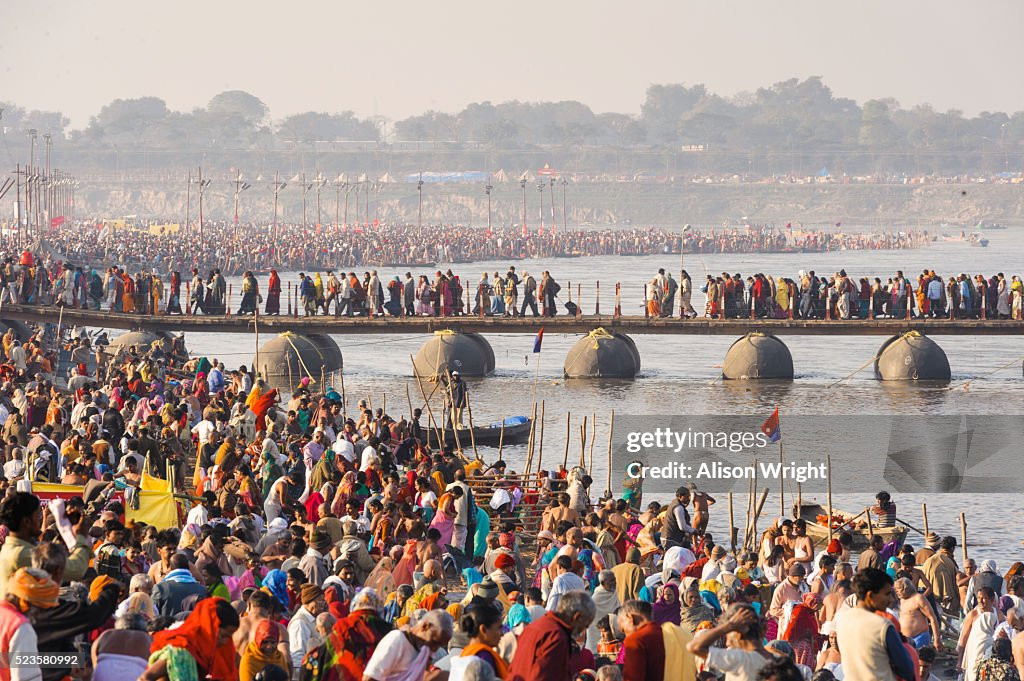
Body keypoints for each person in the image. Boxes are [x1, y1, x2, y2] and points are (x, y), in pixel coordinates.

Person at [833, 568, 915, 681]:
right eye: (887, 594)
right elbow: (907, 669)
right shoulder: (882, 625)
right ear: (870, 596)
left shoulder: (842, 620)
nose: (891, 599)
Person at [142, 598, 240, 681]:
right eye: (223, 636)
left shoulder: (204, 653)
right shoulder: (181, 649)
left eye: (229, 637)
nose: (225, 642)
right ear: (209, 627)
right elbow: (145, 677)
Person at [508, 590, 596, 681]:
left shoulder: (538, 625)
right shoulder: (556, 636)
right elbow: (543, 677)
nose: (583, 630)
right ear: (577, 617)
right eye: (585, 625)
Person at [687, 603, 772, 681]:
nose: (727, 643)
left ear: (738, 633)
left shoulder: (739, 659)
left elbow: (694, 647)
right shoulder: (776, 659)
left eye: (728, 635)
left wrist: (729, 625)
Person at [362, 609, 453, 681]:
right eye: (434, 642)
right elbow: (369, 678)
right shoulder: (397, 639)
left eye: (439, 645)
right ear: (425, 626)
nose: (435, 649)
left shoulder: (425, 649)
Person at [618, 598, 696, 681]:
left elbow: (633, 678)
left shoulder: (636, 640)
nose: (626, 636)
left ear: (630, 618)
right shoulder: (681, 635)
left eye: (623, 630)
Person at [0, 492, 42, 599]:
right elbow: (73, 570)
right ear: (27, 521)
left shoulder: (9, 547)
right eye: (38, 515)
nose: (41, 519)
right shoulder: (22, 554)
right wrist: (66, 528)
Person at [958, 585, 999, 681]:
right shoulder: (973, 614)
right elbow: (963, 639)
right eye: (978, 598)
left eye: (984, 598)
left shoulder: (998, 615)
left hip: (991, 657)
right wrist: (959, 661)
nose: (980, 601)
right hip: (974, 655)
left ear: (992, 599)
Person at [894, 577, 940, 650]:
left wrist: (936, 639)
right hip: (905, 640)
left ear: (906, 588)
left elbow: (932, 618)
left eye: (898, 589)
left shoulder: (918, 598)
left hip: (919, 638)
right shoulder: (902, 600)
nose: (896, 592)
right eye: (895, 589)